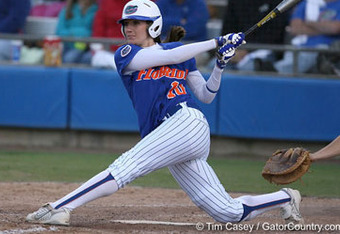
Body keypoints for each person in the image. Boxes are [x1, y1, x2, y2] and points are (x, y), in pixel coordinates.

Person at [25, 0, 303, 226]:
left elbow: (206, 96)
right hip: (169, 136)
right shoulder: (126, 54)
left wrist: (219, 65)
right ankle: (285, 198)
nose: (130, 28)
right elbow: (168, 56)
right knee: (227, 212)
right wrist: (216, 42)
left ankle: (59, 207)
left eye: (137, 23)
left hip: (187, 123)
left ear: (153, 25)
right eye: (127, 23)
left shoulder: (182, 54)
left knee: (125, 167)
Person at [266, 0, 340, 74]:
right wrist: (324, 28)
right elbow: (295, 28)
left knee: (313, 54)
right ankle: (274, 71)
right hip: (300, 46)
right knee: (294, 53)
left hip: (327, 48)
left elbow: (335, 28)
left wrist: (309, 23)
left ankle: (276, 71)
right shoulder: (307, 3)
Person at [220, 0, 290, 71]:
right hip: (237, 50)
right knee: (214, 65)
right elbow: (226, 32)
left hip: (266, 50)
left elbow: (275, 34)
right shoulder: (235, 2)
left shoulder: (276, 2)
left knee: (248, 67)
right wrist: (233, 50)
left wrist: (247, 50)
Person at [55, 0, 98, 64]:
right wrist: (78, 34)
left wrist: (75, 33)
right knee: (70, 58)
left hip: (90, 48)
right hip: (68, 47)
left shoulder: (96, 10)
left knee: (89, 58)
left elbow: (96, 32)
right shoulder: (67, 10)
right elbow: (59, 32)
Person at [90, 0, 129, 68]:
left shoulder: (140, 3)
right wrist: (99, 47)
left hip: (132, 50)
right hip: (108, 51)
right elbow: (98, 28)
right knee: (98, 58)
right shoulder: (106, 2)